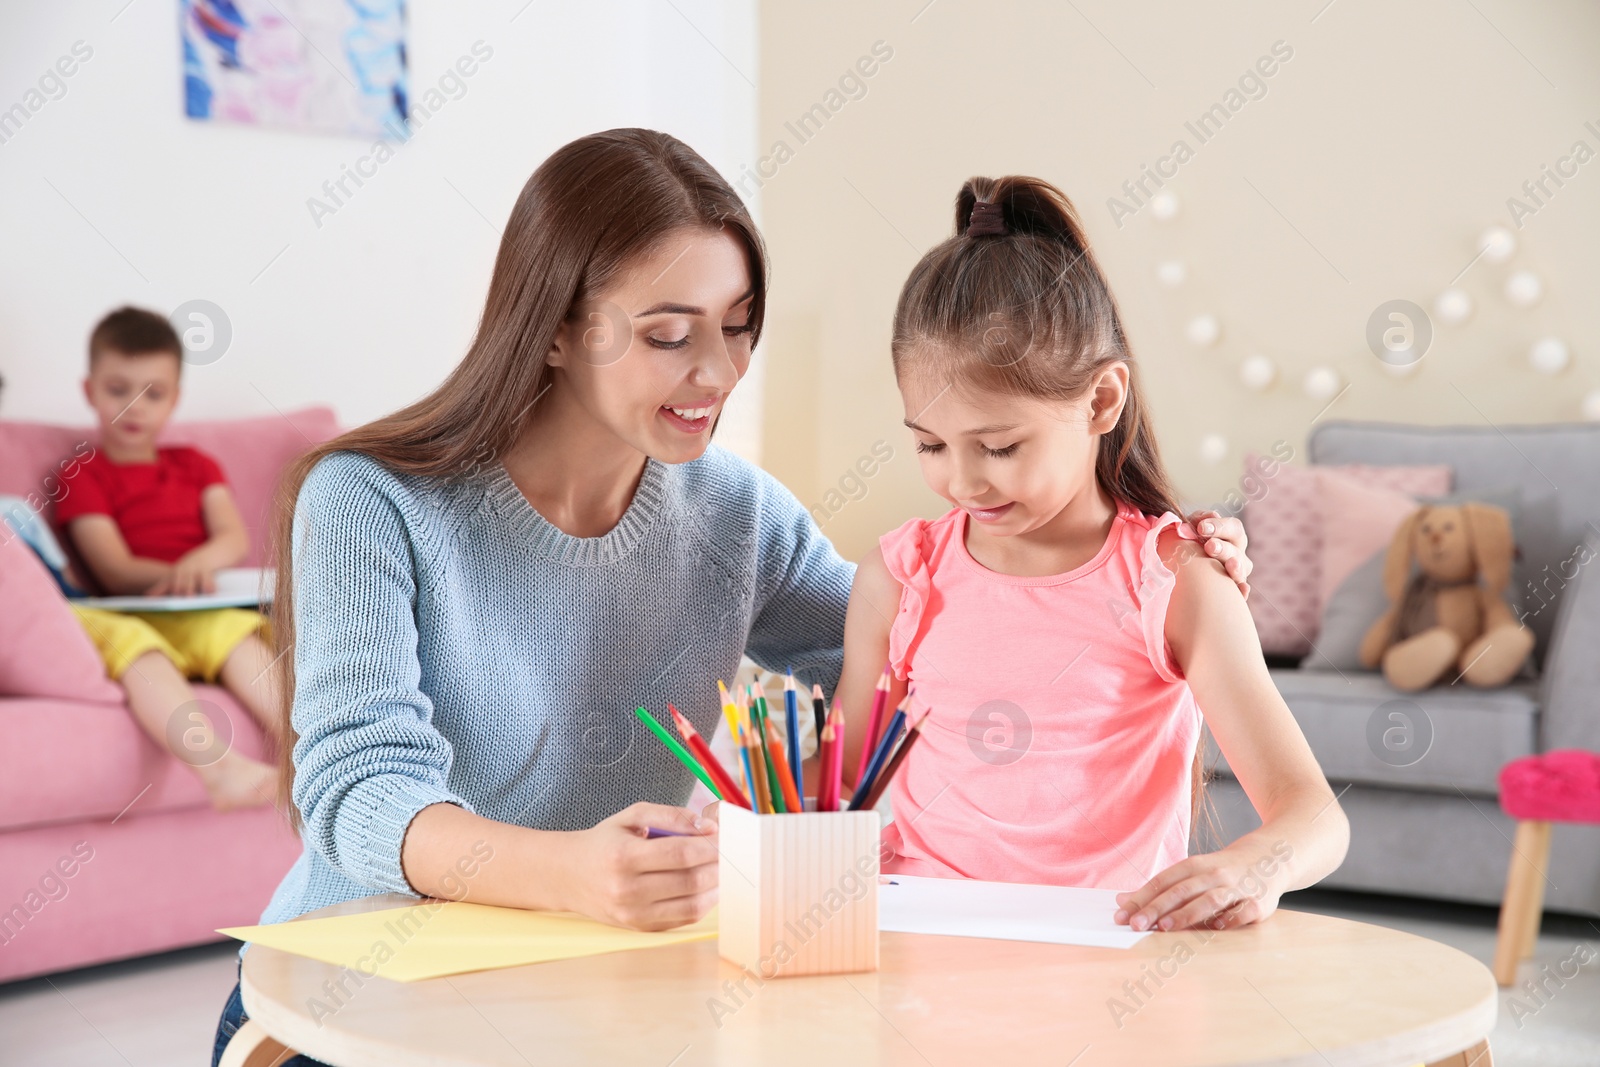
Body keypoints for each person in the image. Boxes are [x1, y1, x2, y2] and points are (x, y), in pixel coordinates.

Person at [211, 131, 1252, 1065]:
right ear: (559, 327)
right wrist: (570, 871)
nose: (717, 370)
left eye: (739, 325)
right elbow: (354, 795)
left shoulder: (735, 514)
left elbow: (928, 646)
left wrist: (1151, 569)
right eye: (669, 333)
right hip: (353, 997)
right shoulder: (370, 500)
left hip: (590, 990)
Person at [835, 176, 1347, 934]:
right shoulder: (901, 574)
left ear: (1102, 401)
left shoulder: (1173, 579)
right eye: (930, 444)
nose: (963, 480)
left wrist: (1255, 864)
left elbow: (1313, 816)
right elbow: (833, 785)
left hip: (1103, 963)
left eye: (1000, 446)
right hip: (924, 946)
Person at [56, 307, 282, 811]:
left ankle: (313, 753)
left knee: (237, 636)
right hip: (132, 609)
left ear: (173, 400)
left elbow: (232, 539)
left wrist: (199, 564)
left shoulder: (195, 465)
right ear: (90, 391)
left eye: (152, 394)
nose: (134, 407)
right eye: (118, 390)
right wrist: (178, 574)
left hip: (198, 607)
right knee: (139, 650)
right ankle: (220, 770)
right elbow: (113, 567)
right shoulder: (82, 474)